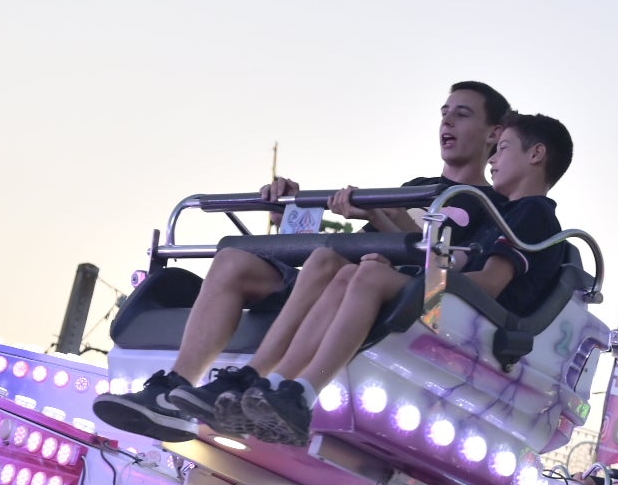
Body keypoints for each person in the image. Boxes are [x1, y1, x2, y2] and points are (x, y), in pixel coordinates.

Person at [93, 81, 512, 442]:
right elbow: (361, 238)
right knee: (233, 259)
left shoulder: (491, 208)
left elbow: (440, 264)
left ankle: (255, 379)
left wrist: (379, 218)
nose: (447, 123)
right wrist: (293, 208)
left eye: (461, 115)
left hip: (374, 290)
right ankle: (176, 388)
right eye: (444, 114)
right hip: (331, 277)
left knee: (333, 262)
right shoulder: (414, 188)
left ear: (493, 133)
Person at [239, 113, 574, 446]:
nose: (493, 160)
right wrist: (390, 246)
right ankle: (280, 383)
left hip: (471, 326)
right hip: (455, 306)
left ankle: (305, 391)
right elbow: (452, 262)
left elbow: (488, 284)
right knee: (348, 273)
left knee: (370, 275)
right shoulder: (500, 218)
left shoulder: (534, 214)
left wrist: (412, 275)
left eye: (502, 149)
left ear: (535, 154)